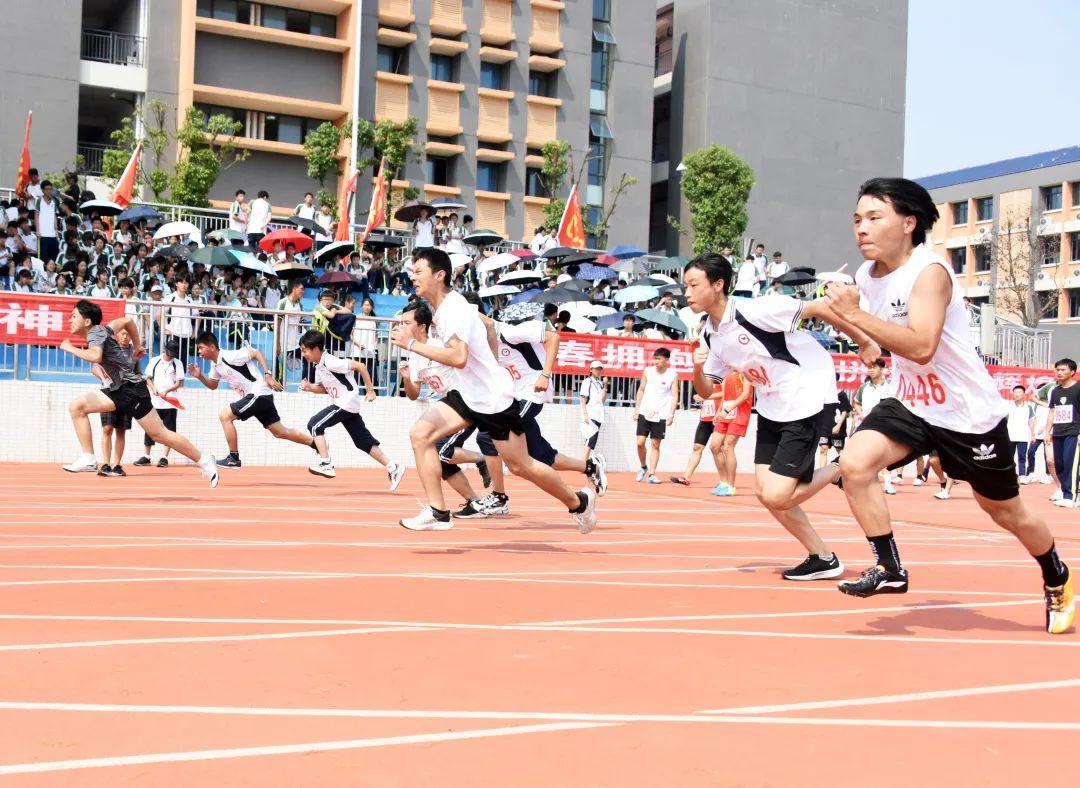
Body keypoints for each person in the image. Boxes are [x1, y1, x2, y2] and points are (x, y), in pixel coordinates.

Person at [823, 176, 1073, 633]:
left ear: (908, 223)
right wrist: (859, 335)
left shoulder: (930, 271)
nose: (861, 228)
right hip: (911, 402)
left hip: (966, 412)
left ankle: (1056, 573)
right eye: (857, 219)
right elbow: (883, 339)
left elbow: (921, 346)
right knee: (854, 463)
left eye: (874, 217)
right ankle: (890, 568)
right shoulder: (864, 276)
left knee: (1004, 512)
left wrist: (856, 314)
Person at [389, 247, 598, 533]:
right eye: (411, 271)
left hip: (492, 400)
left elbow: (459, 357)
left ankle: (579, 502)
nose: (412, 277)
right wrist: (494, 361)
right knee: (420, 435)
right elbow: (487, 328)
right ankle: (438, 512)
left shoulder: (454, 309)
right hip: (467, 395)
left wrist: (411, 345)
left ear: (440, 275)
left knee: (522, 466)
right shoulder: (445, 309)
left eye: (418, 271)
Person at [685, 252, 855, 581]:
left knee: (778, 494)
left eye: (694, 285)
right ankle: (823, 557)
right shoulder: (709, 333)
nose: (687, 293)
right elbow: (707, 391)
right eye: (685, 286)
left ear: (718, 285)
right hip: (774, 404)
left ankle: (840, 468)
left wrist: (863, 342)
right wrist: (695, 365)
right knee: (767, 495)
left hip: (806, 393)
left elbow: (819, 308)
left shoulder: (754, 309)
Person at [57, 300, 219, 486]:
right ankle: (88, 457)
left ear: (87, 321)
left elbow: (95, 356)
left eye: (74, 316)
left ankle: (204, 460)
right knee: (77, 407)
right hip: (116, 390)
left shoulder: (95, 332)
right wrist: (136, 346)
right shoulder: (105, 329)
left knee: (160, 434)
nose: (70, 320)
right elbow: (127, 321)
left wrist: (69, 347)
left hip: (130, 390)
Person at [186, 331, 314, 468]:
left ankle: (233, 458)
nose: (199, 351)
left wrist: (268, 375)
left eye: (201, 348)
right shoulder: (215, 365)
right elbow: (213, 385)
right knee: (280, 432)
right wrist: (199, 376)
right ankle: (315, 443)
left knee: (225, 416)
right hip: (260, 396)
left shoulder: (229, 356)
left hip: (258, 393)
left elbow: (256, 353)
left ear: (211, 347)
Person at [297, 329, 405, 487]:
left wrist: (370, 390)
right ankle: (393, 467)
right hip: (346, 405)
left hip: (345, 402)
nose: (303, 354)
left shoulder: (331, 362)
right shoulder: (319, 367)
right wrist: (310, 388)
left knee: (314, 424)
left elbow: (361, 366)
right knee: (363, 442)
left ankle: (326, 463)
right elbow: (324, 388)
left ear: (315, 349)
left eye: (305, 350)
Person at [135, 339, 186, 468]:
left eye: (172, 354)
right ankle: (147, 456)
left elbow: (180, 383)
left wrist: (168, 391)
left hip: (170, 402)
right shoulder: (155, 361)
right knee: (150, 428)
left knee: (170, 430)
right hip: (155, 401)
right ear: (164, 349)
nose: (170, 356)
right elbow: (147, 378)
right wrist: (154, 388)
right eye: (169, 352)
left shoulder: (178, 363)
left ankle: (164, 457)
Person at [632, 348, 678, 484]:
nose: (656, 361)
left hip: (661, 414)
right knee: (640, 442)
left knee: (655, 444)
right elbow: (641, 389)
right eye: (655, 358)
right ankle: (643, 467)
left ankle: (652, 474)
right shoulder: (648, 371)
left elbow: (675, 395)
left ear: (666, 360)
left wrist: (671, 414)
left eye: (659, 359)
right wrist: (637, 409)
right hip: (645, 411)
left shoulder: (673, 375)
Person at [95, 326, 136, 477]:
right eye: (123, 333)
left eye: (128, 334)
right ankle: (105, 464)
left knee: (121, 430)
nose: (125, 336)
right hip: (108, 393)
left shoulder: (135, 353)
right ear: (117, 335)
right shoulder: (109, 348)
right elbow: (95, 367)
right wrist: (104, 378)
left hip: (126, 394)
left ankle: (117, 465)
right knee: (107, 428)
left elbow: (137, 373)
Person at [852, 359, 897, 495]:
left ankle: (888, 483)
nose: (871, 370)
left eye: (874, 367)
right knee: (866, 456)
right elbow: (856, 402)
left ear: (882, 369)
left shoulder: (890, 387)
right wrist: (861, 414)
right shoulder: (864, 387)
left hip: (884, 426)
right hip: (866, 425)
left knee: (881, 455)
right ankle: (869, 484)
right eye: (869, 367)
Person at [709, 370, 754, 496]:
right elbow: (725, 396)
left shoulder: (745, 371)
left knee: (728, 447)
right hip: (725, 413)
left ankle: (731, 485)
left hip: (739, 414)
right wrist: (719, 411)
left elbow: (745, 394)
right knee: (715, 446)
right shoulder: (726, 373)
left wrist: (727, 409)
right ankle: (724, 482)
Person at [670, 390, 725, 488]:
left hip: (719, 418)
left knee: (718, 449)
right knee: (697, 447)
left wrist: (705, 397)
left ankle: (725, 481)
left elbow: (725, 393)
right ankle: (686, 477)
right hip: (705, 418)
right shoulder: (705, 379)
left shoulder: (722, 377)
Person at [1046, 357, 1080, 508]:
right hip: (1058, 432)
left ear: (1072, 372)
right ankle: (1066, 493)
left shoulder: (1078, 389)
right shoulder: (1055, 391)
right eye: (1057, 370)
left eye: (1062, 370)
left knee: (1069, 464)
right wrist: (1047, 431)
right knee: (1058, 464)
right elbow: (1052, 411)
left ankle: (1070, 496)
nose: (1059, 372)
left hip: (1073, 432)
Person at [818, 374, 852, 469]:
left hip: (837, 428)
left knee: (840, 451)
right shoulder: (823, 394)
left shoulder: (841, 394)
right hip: (824, 428)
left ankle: (845, 471)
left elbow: (845, 411)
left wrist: (838, 425)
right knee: (823, 449)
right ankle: (821, 472)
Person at [1006, 384, 1035, 482]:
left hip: (1023, 435)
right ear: (1013, 394)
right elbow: (1003, 421)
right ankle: (1010, 475)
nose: (1017, 394)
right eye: (1015, 392)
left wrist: (1033, 434)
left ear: (1023, 394)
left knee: (1022, 457)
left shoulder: (1029, 407)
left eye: (1019, 392)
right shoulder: (1008, 406)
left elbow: (1031, 421)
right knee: (1009, 457)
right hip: (1010, 436)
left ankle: (1022, 475)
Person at [580, 359, 606, 460]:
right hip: (590, 414)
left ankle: (584, 462)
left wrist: (606, 386)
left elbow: (602, 400)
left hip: (598, 415)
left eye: (600, 369)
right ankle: (583, 463)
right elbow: (583, 398)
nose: (598, 371)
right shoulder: (587, 382)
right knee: (590, 439)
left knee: (592, 440)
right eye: (596, 369)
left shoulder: (600, 383)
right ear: (591, 369)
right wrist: (585, 414)